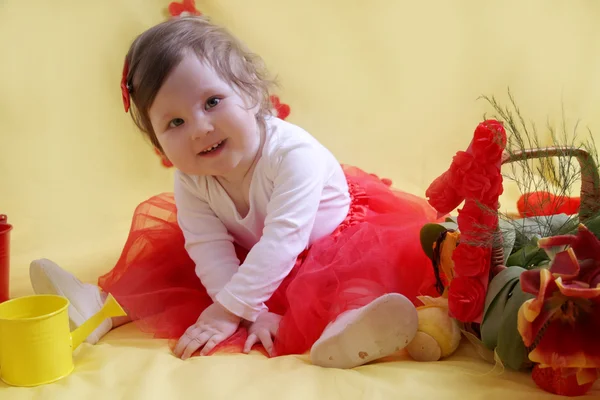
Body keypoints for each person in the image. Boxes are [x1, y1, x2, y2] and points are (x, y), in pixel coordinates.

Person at [29, 16, 441, 368]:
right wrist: (248, 311)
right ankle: (97, 307)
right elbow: (208, 244)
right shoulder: (190, 177)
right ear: (157, 144)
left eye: (212, 101)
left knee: (346, 278)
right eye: (174, 123)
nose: (200, 129)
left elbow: (284, 240)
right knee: (176, 265)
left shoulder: (293, 155)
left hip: (323, 244)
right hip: (254, 253)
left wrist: (229, 310)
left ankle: (350, 329)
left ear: (252, 93)